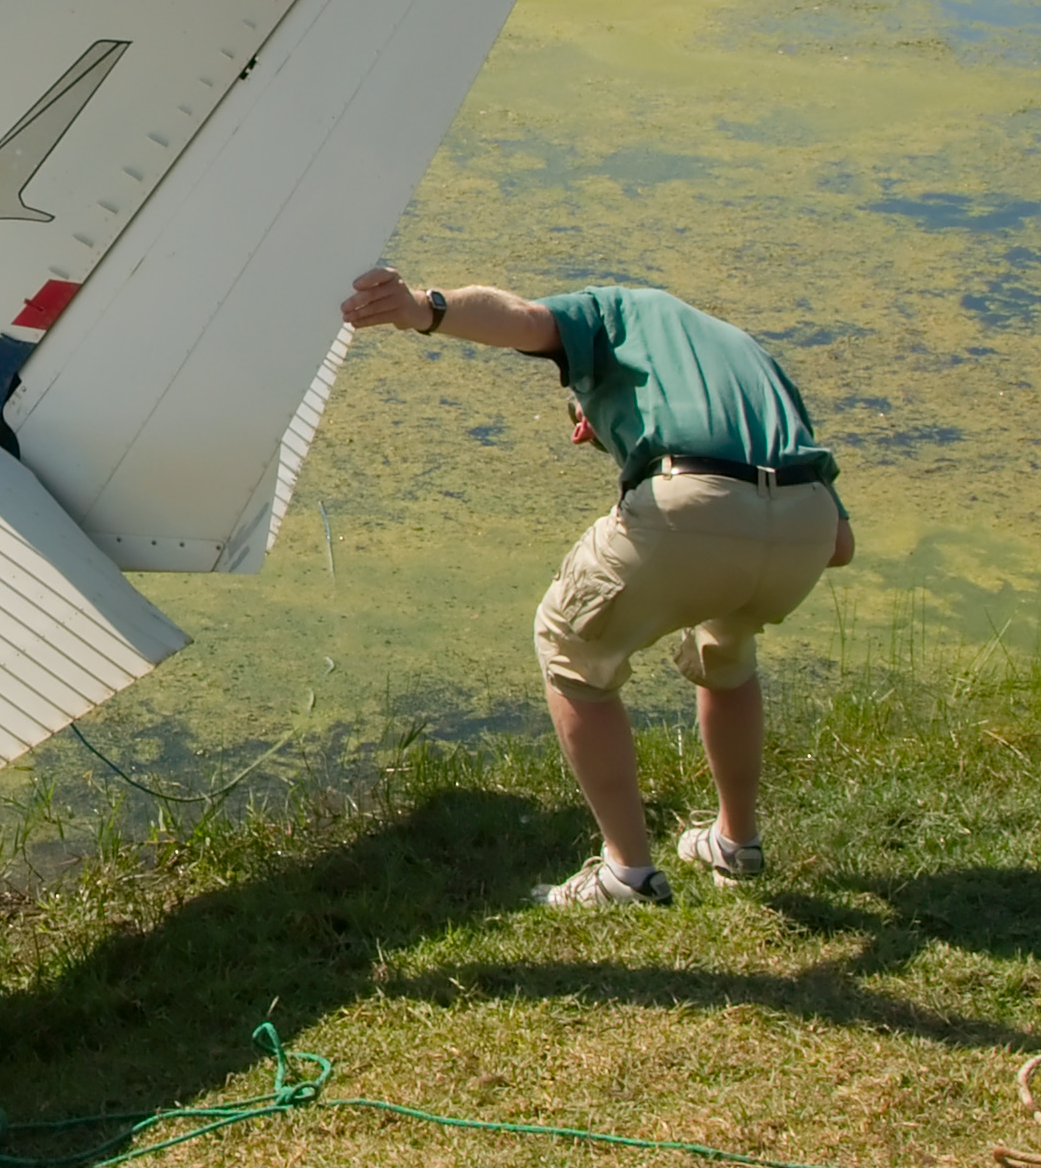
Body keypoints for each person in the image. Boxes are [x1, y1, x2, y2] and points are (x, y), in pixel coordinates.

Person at [340, 264, 853, 908]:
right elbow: (840, 548)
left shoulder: (617, 313)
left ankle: (627, 873)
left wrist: (423, 308)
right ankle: (736, 842)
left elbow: (524, 320)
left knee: (568, 645)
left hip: (689, 495)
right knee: (726, 649)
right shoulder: (747, 357)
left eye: (579, 415)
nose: (583, 431)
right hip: (807, 523)